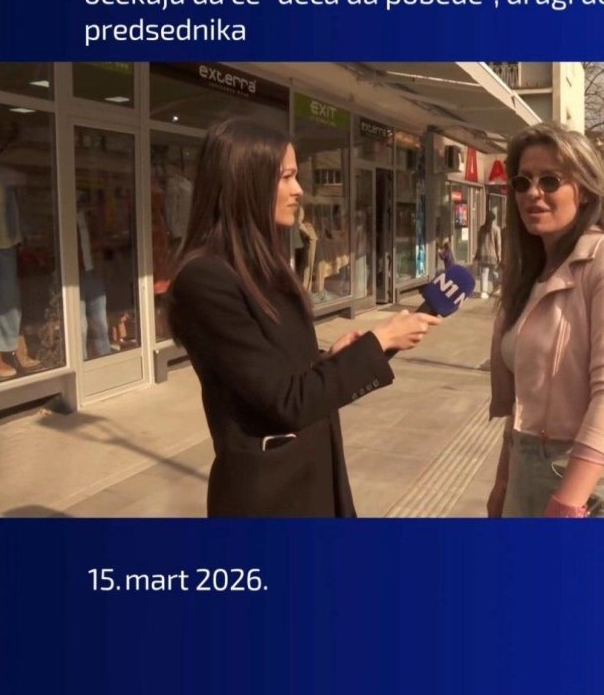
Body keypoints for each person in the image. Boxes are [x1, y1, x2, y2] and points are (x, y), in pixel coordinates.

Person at [168, 118, 440, 517]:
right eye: (286, 177)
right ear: (246, 181)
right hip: (271, 497)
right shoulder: (205, 280)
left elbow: (280, 372)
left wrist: (330, 358)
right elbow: (286, 401)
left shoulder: (265, 265)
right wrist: (379, 340)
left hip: (312, 476)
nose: (299, 190)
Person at [486, 124, 604, 519]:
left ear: (586, 190)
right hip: (525, 471)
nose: (533, 193)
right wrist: (503, 482)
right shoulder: (529, 275)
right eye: (523, 182)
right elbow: (522, 401)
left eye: (550, 180)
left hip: (589, 483)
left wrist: (567, 503)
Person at [474, 210, 501, 298]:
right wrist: (499, 255)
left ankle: (483, 292)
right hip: (493, 255)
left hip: (483, 254)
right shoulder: (496, 229)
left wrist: (477, 254)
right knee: (495, 273)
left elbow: (479, 242)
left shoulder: (482, 228)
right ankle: (496, 288)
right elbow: (498, 244)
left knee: (484, 273)